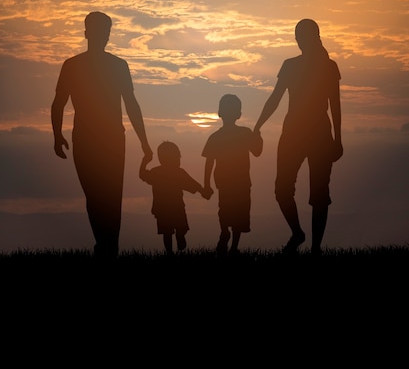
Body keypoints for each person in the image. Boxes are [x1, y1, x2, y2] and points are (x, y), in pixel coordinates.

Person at [51, 11, 152, 258]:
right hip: (86, 140)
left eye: (105, 32)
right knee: (96, 195)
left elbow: (131, 104)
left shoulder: (117, 66)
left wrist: (144, 142)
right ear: (86, 33)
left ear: (108, 35)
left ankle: (108, 249)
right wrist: (57, 135)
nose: (102, 37)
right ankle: (106, 247)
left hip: (112, 140)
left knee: (109, 196)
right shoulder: (73, 65)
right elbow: (58, 103)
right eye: (98, 32)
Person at [254, 19, 343, 255]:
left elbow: (335, 104)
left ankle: (315, 248)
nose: (299, 40)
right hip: (293, 134)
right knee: (282, 190)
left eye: (302, 36)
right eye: (297, 36)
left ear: (314, 37)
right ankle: (298, 233)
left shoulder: (329, 67)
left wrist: (338, 138)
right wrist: (258, 125)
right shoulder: (290, 65)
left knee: (319, 194)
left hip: (319, 136)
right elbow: (275, 98)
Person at [202, 94, 263, 255]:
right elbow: (257, 152)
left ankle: (228, 237)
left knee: (227, 210)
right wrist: (259, 138)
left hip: (228, 182)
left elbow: (209, 163)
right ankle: (233, 243)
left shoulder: (216, 137)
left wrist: (207, 184)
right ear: (239, 114)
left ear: (219, 113)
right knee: (237, 213)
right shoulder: (244, 133)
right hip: (237, 182)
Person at [139, 141, 208, 255]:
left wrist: (145, 161)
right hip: (175, 208)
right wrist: (202, 191)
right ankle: (172, 249)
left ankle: (174, 244)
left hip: (164, 209)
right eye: (177, 157)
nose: (179, 160)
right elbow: (192, 184)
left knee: (169, 232)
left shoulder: (157, 172)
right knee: (171, 231)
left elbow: (142, 174)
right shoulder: (175, 173)